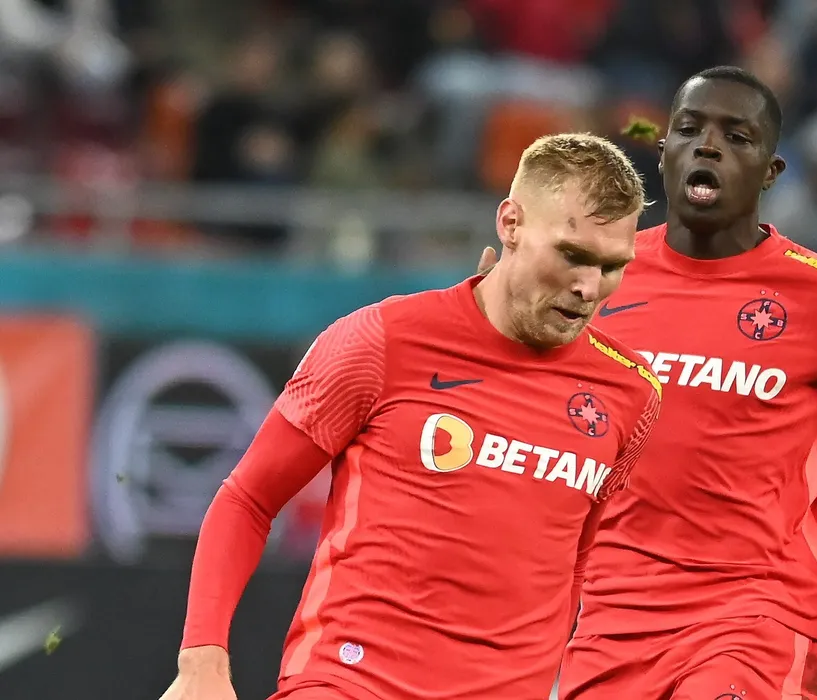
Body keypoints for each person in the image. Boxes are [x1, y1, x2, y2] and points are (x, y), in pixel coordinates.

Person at [478, 67, 817, 700]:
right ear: (663, 152)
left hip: (756, 617)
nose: (708, 146)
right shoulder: (592, 282)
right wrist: (491, 329)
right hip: (609, 621)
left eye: (737, 137)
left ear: (771, 172)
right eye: (688, 129)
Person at [159, 133, 663, 700]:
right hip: (349, 683)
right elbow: (248, 499)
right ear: (511, 224)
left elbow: (575, 561)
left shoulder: (632, 393)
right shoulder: (381, 341)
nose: (589, 287)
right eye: (572, 255)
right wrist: (201, 660)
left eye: (612, 266)